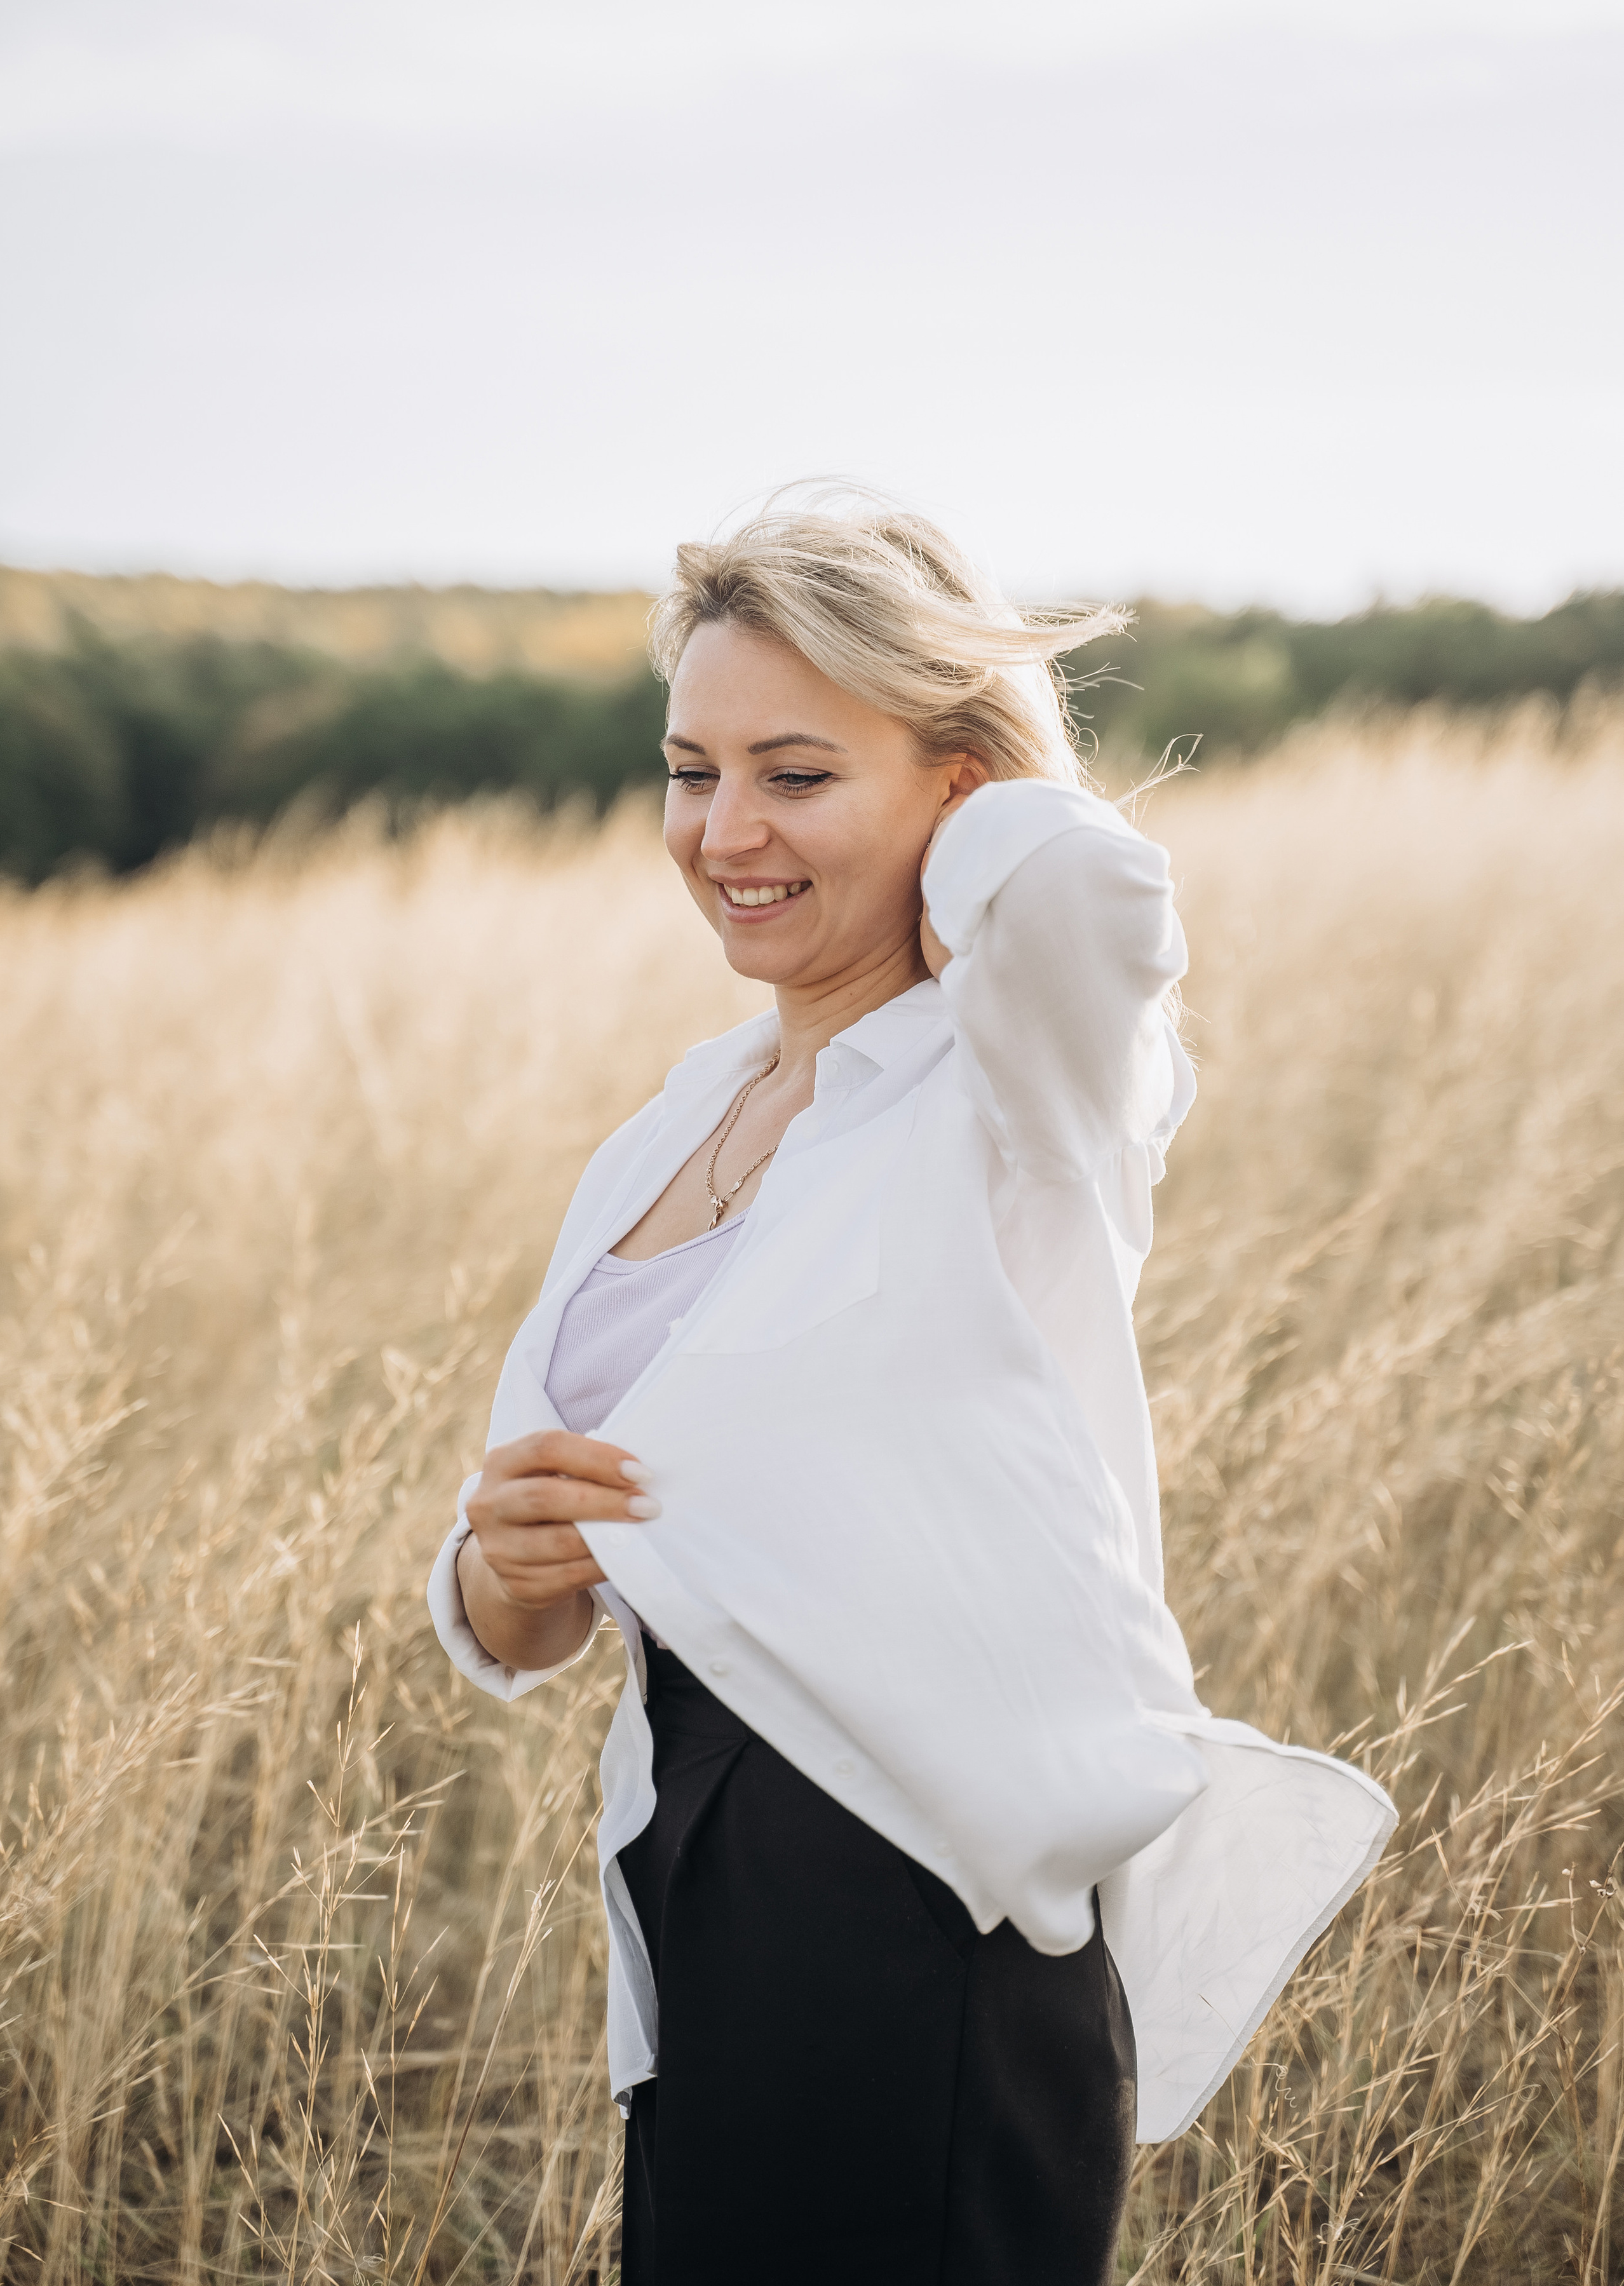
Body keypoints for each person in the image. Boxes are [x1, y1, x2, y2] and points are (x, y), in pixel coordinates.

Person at [428, 496, 1395, 2285]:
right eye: (691, 767)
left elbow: (1092, 886)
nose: (725, 833)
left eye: (798, 774)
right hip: (697, 1889)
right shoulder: (672, 1119)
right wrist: (501, 1576)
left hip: (923, 1904)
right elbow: (537, 1584)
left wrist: (975, 782)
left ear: (952, 791)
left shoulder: (1019, 1092)